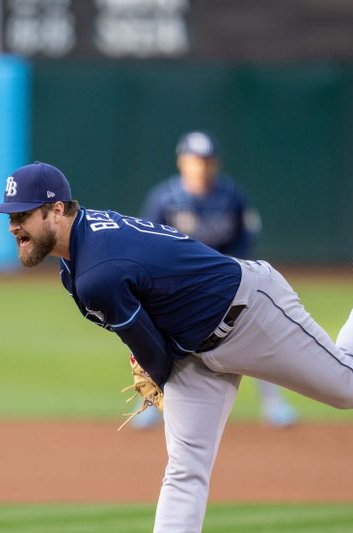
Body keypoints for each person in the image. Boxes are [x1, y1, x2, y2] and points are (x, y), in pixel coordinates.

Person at [0, 161, 353, 533]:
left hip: (250, 312)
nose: (13, 226)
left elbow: (156, 358)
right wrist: (149, 358)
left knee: (352, 387)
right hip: (194, 352)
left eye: (23, 215)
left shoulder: (95, 270)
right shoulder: (79, 253)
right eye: (9, 217)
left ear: (56, 210)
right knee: (184, 472)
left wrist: (153, 369)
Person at [136, 130, 296, 428]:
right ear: (182, 162)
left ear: (216, 163)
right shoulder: (163, 199)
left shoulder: (232, 197)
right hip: (175, 286)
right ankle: (148, 402)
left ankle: (274, 404)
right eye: (195, 160)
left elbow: (245, 243)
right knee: (145, 331)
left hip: (225, 282)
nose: (201, 166)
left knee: (259, 331)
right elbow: (148, 247)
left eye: (207, 160)